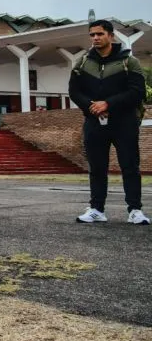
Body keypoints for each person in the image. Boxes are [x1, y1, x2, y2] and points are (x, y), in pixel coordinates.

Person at [68, 19, 149, 225]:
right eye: (92, 35)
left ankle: (135, 210)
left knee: (130, 166)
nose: (95, 38)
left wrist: (108, 104)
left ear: (111, 36)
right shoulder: (83, 62)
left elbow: (138, 92)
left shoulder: (129, 61)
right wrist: (91, 106)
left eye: (100, 34)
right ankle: (97, 210)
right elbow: (74, 91)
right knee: (97, 167)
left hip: (125, 123)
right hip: (94, 122)